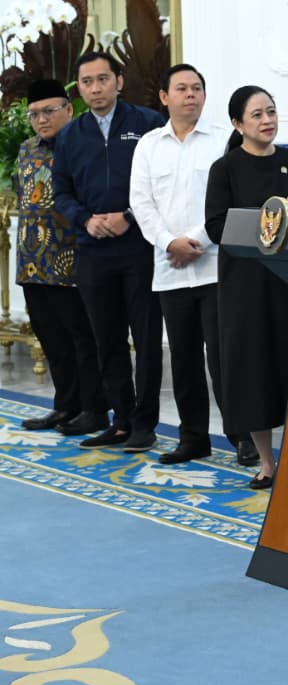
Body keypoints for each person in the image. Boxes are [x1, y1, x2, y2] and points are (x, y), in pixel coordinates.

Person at [130, 63, 254, 466]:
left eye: (197, 88)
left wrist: (197, 240)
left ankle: (242, 437)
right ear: (164, 97)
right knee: (182, 360)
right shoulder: (149, 145)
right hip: (170, 268)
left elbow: (232, 200)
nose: (191, 95)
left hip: (216, 265)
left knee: (224, 360)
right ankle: (193, 437)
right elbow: (142, 204)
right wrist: (170, 243)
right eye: (181, 89)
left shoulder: (224, 140)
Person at [52, 51, 165, 451]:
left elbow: (161, 184)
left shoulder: (149, 123)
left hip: (138, 249)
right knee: (107, 338)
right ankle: (121, 419)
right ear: (78, 89)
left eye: (103, 79)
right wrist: (85, 220)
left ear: (119, 81)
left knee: (147, 337)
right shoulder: (69, 135)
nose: (96, 88)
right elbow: (61, 192)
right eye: (87, 82)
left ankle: (145, 424)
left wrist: (129, 215)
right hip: (93, 251)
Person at [205, 86, 288, 489]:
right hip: (246, 286)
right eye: (257, 115)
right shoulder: (226, 169)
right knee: (254, 371)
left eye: (271, 111)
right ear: (238, 124)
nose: (267, 120)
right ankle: (267, 462)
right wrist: (267, 224)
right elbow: (216, 226)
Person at [15, 80, 105, 435]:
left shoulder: (85, 147)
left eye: (49, 111)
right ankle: (65, 406)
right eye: (34, 114)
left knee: (82, 338)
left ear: (69, 110)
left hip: (73, 260)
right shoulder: (26, 150)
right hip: (33, 261)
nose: (41, 119)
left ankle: (93, 408)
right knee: (52, 339)